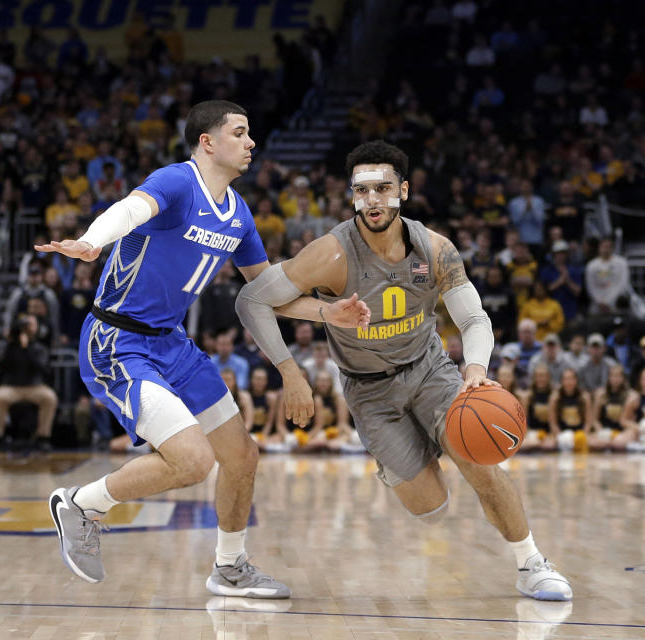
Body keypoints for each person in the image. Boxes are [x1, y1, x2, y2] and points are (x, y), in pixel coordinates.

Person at [34, 101, 367, 596]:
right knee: (192, 462)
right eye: (240, 132)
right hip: (118, 341)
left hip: (173, 345)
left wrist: (327, 312)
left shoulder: (239, 215)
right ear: (208, 142)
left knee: (242, 456)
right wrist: (91, 240)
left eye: (250, 133)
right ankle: (82, 503)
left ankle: (229, 567)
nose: (251, 142)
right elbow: (129, 209)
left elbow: (267, 292)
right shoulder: (176, 181)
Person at [236, 140, 572, 601]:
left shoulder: (436, 249)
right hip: (370, 391)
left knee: (482, 465)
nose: (372, 200)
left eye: (383, 188)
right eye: (362, 190)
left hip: (431, 370)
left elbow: (474, 319)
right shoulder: (330, 254)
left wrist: (475, 369)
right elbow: (252, 299)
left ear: (404, 190)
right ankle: (399, 456)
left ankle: (531, 562)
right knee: (431, 508)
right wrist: (298, 360)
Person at [0, 314, 57, 452]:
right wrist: (11, 343)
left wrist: (26, 348)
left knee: (49, 398)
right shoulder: (10, 347)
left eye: (30, 325)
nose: (27, 328)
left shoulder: (40, 348)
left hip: (34, 387)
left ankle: (43, 437)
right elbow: (3, 367)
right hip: (12, 387)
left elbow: (41, 368)